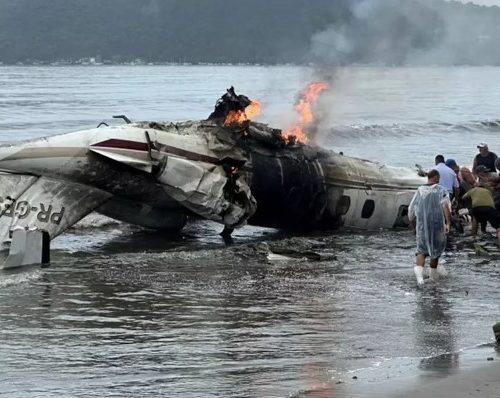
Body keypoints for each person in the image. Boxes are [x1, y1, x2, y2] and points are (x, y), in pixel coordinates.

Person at [409, 169, 452, 286]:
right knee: (435, 251)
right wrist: (448, 223)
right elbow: (446, 208)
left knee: (421, 251)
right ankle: (433, 278)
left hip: (422, 225)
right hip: (437, 225)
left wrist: (413, 225)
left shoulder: (420, 190)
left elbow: (411, 211)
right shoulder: (442, 190)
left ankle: (420, 279)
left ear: (428, 177)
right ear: (437, 178)